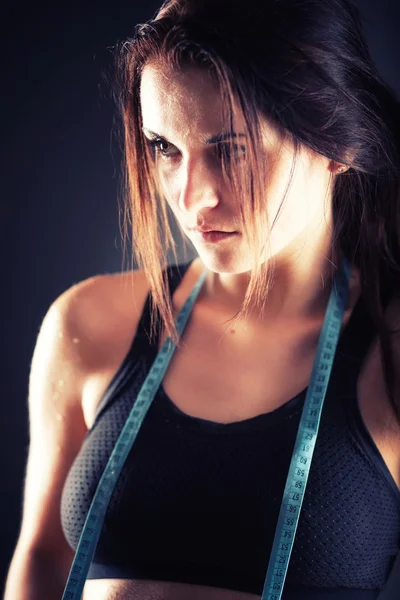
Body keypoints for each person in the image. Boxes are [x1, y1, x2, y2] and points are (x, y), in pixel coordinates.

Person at [4, 0, 400, 599]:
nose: (192, 199)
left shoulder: (389, 358)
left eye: (231, 149)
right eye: (165, 148)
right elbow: (40, 563)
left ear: (337, 141)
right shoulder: (89, 325)